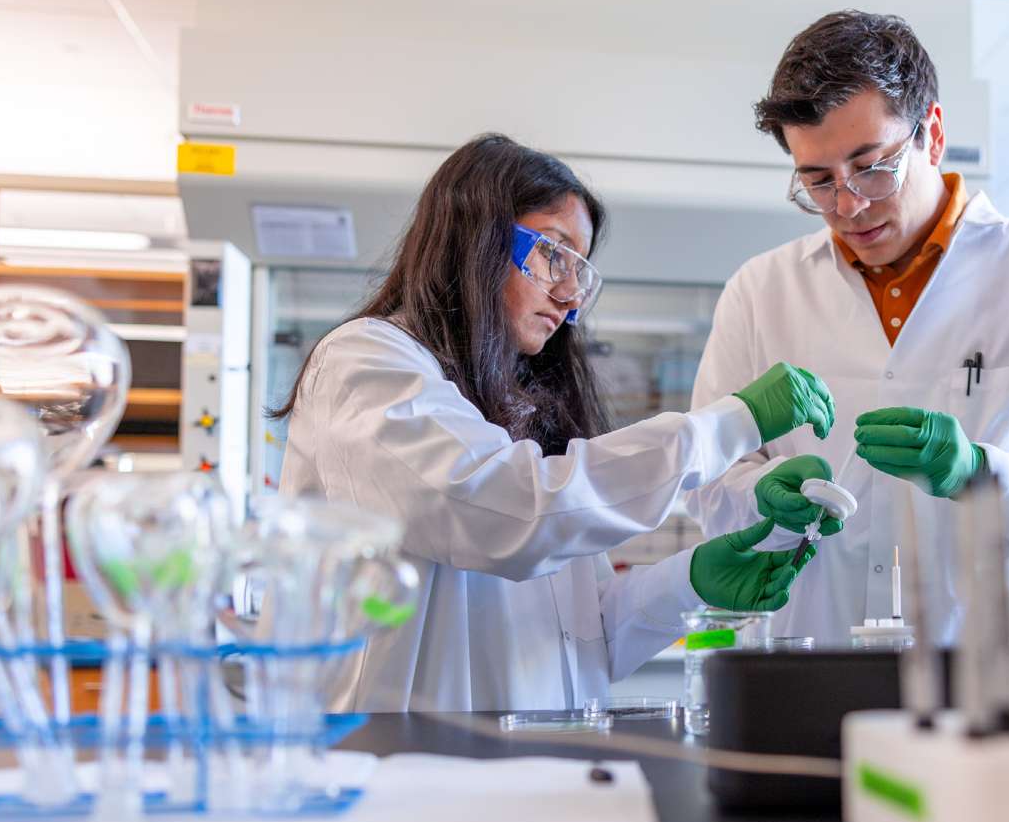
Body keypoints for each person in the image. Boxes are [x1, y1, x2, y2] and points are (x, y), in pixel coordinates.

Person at [275, 134, 842, 712]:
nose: (572, 297)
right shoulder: (364, 364)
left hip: (540, 769)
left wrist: (690, 581)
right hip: (406, 774)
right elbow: (506, 513)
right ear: (473, 240)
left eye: (582, 270)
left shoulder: (519, 406)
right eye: (554, 254)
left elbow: (581, 638)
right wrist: (729, 426)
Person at [688, 11, 1009, 644]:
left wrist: (980, 475)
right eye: (818, 181)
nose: (849, 204)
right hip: (804, 664)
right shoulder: (759, 291)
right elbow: (710, 484)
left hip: (994, 680)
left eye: (872, 166)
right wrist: (761, 496)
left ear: (931, 135)